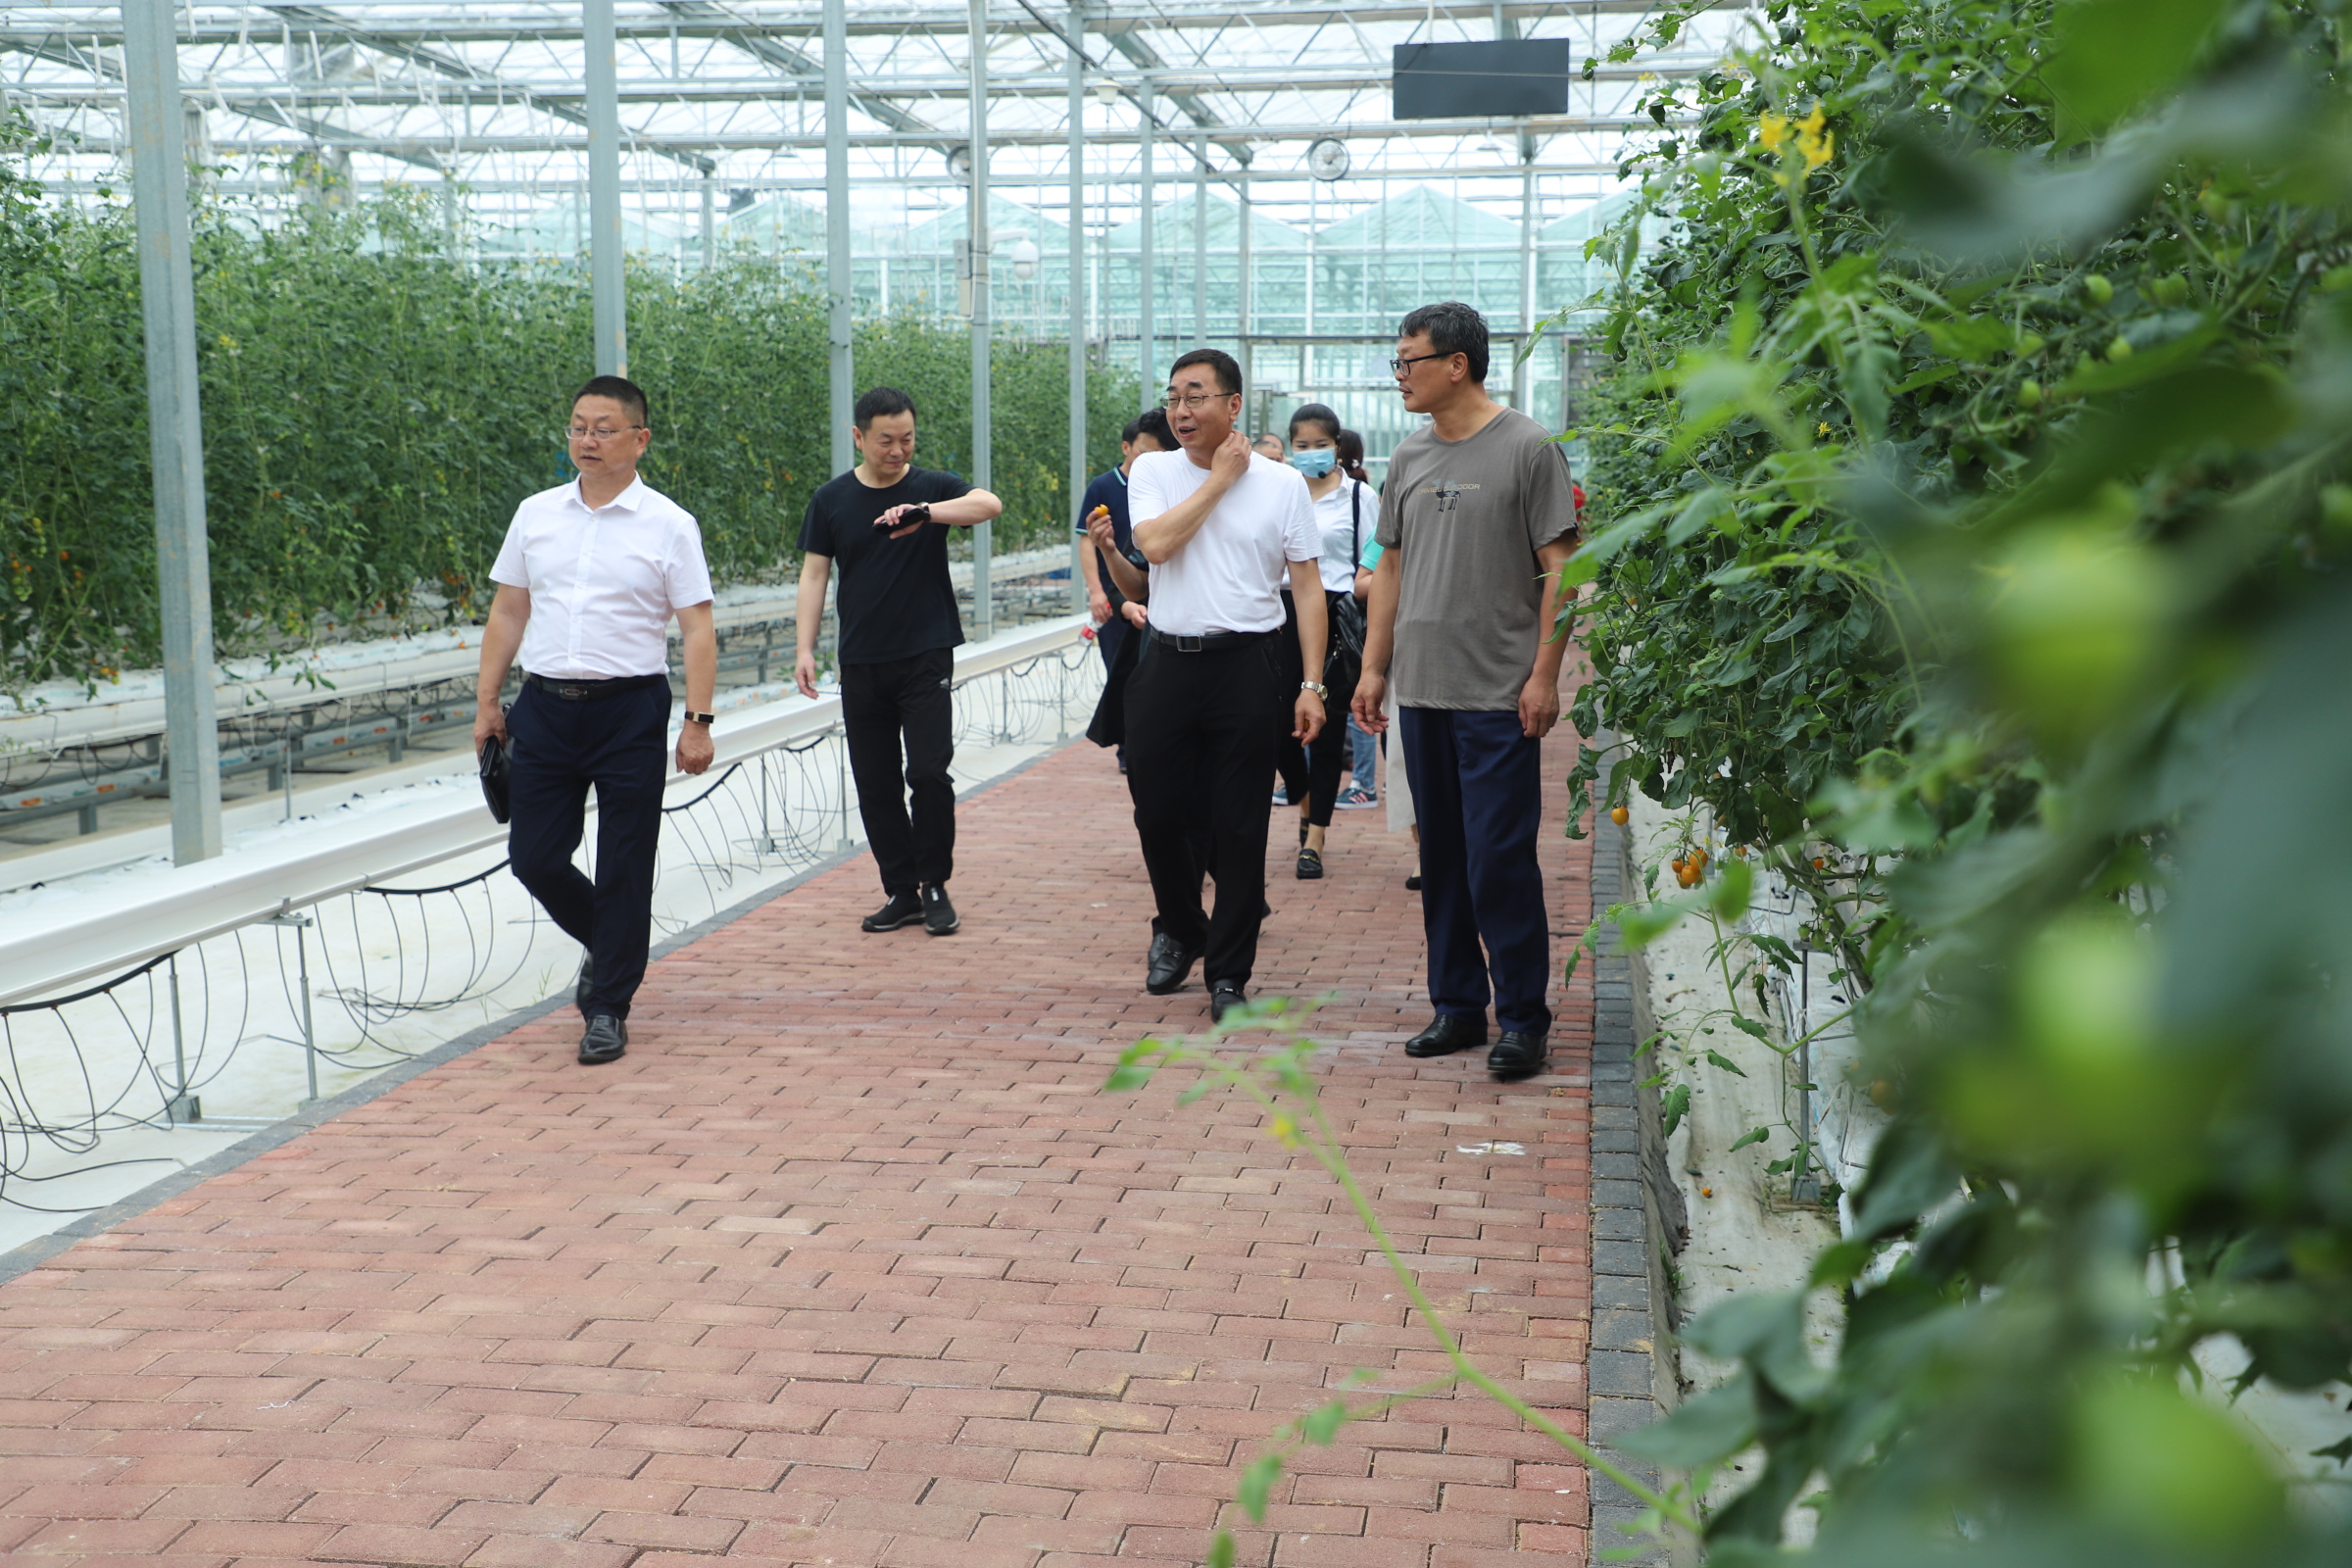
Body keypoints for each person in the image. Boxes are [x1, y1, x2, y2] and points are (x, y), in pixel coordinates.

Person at [1353, 302, 1580, 1081]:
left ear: (1457, 365)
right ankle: (1456, 1006)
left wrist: (1543, 675)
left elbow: (1563, 569)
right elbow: (1389, 567)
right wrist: (1374, 668)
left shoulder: (1528, 448)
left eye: (1408, 361)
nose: (1399, 376)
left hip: (1497, 695)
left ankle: (1523, 1019)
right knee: (1442, 859)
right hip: (1422, 692)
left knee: (1499, 861)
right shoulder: (1409, 455)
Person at [473, 375, 717, 1067]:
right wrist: (488, 702)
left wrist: (698, 721)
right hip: (544, 708)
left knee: (624, 863)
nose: (588, 439)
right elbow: (508, 611)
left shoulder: (669, 524)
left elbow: (698, 628)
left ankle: (607, 1006)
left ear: (640, 439)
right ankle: (610, 945)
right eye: (579, 426)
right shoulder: (536, 514)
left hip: (629, 711)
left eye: (605, 429)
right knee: (535, 858)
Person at [1125, 349, 1327, 1022]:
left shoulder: (1283, 484)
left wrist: (1312, 683)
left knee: (1240, 825)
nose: (1180, 411)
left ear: (1233, 405)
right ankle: (1184, 928)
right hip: (1167, 661)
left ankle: (1229, 973)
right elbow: (1156, 546)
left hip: (1248, 665)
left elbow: (1307, 586)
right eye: (1173, 398)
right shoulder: (1154, 470)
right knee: (1157, 815)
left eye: (1196, 396)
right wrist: (1219, 480)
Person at [794, 386, 1004, 938]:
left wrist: (926, 514)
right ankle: (902, 890)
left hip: (925, 653)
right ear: (859, 437)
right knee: (876, 781)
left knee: (929, 773)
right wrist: (804, 648)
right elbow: (814, 574)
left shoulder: (931, 488)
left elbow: (989, 505)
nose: (897, 450)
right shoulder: (832, 499)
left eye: (906, 439)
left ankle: (935, 884)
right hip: (861, 659)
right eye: (885, 440)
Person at [1270, 405, 1372, 881]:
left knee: (1328, 729)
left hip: (1336, 615)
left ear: (1337, 447)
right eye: (1302, 445)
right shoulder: (1279, 492)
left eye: (1320, 444)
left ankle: (1315, 837)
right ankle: (1306, 798)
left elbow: (1375, 562)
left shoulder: (1359, 497)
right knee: (1277, 726)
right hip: (1280, 614)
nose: (1310, 453)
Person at [1075, 408, 1177, 768]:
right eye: (1144, 454)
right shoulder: (1104, 487)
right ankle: (1128, 748)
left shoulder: (1176, 490)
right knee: (1123, 670)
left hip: (1157, 598)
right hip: (1121, 590)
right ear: (1126, 447)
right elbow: (1087, 541)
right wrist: (1097, 591)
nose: (1149, 463)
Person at [1334, 429, 1381, 811]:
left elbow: (1373, 557)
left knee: (1358, 697)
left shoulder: (1359, 496)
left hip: (1352, 609)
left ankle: (1364, 782)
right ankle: (1307, 779)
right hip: (1319, 607)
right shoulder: (1303, 491)